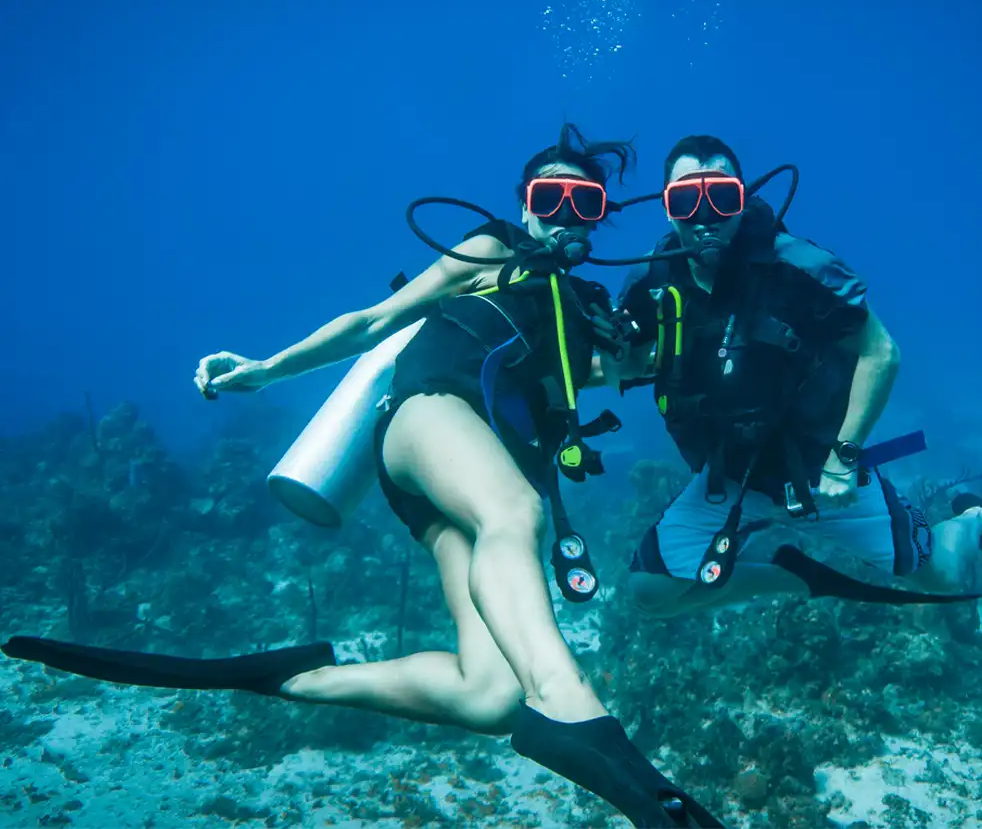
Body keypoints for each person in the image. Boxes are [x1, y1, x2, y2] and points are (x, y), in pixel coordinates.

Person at [3, 125, 723, 829]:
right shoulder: (490, 250)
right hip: (427, 418)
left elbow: (641, 368)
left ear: (599, 220)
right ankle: (567, 699)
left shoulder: (580, 312)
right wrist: (266, 369)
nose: (563, 217)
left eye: (584, 205)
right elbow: (372, 322)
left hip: (450, 487)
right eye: (550, 198)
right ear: (524, 203)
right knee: (517, 516)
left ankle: (294, 677)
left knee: (490, 697)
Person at [606, 135, 982, 619]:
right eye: (687, 200)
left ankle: (973, 521)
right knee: (650, 593)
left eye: (721, 197)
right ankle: (797, 576)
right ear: (668, 209)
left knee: (941, 577)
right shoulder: (649, 283)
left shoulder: (800, 267)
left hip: (819, 471)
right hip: (727, 478)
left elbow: (882, 353)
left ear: (743, 200)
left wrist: (843, 458)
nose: (706, 215)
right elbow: (629, 365)